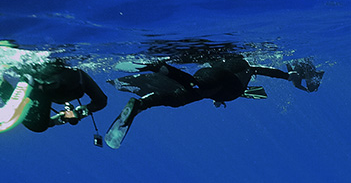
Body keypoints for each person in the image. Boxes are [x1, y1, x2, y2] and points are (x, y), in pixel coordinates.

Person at [104, 53, 324, 148]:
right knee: (189, 90)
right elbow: (260, 70)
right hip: (221, 85)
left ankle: (141, 104)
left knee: (176, 98)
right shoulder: (246, 67)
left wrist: (217, 95)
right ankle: (161, 68)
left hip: (209, 79)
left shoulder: (225, 63)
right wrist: (285, 76)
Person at [21, 60, 109, 133]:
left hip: (46, 88)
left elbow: (101, 101)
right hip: (46, 85)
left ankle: (31, 83)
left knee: (39, 126)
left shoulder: (77, 78)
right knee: (40, 126)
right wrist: (79, 112)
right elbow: (101, 101)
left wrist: (70, 115)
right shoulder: (77, 78)